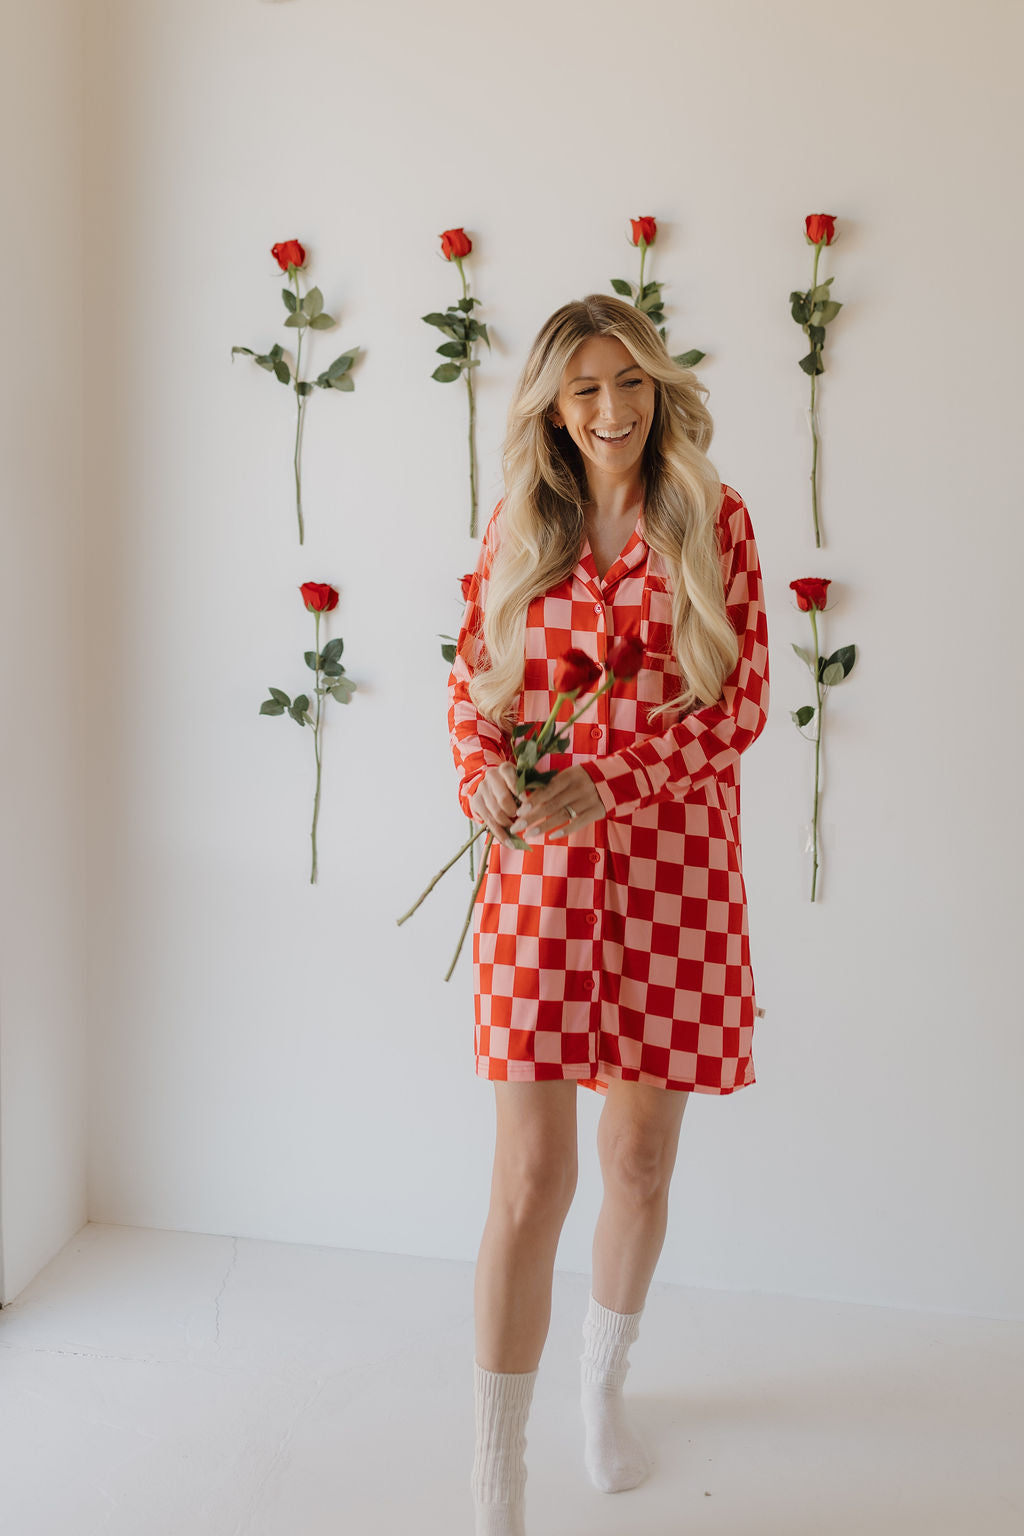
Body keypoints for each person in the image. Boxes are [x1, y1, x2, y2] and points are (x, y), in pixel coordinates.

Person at [447, 293, 770, 1536]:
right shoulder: (522, 522)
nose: (610, 408)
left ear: (657, 385)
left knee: (636, 1159)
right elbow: (468, 686)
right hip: (541, 880)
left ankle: (601, 1387)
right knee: (528, 1179)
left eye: (627, 381)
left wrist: (614, 777)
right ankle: (495, 1480)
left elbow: (734, 709)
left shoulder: (712, 518)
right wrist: (480, 770)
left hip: (675, 878)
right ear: (552, 405)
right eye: (583, 388)